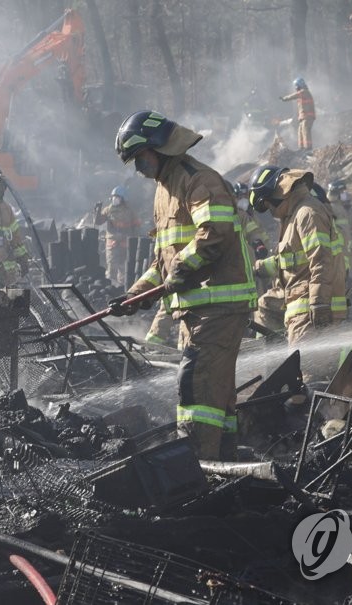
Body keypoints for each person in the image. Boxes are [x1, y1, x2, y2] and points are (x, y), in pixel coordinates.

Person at [111, 110, 256, 460]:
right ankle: (225, 465)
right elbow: (164, 262)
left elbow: (213, 234)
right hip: (195, 309)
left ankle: (197, 468)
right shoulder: (164, 191)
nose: (139, 170)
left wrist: (178, 273)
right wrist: (135, 295)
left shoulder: (198, 180)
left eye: (140, 159)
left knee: (196, 388)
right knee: (217, 396)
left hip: (218, 305)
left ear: (159, 148)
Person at [249, 166, 346, 345]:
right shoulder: (295, 215)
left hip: (310, 311)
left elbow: (321, 259)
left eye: (268, 205)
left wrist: (319, 303)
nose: (271, 212)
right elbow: (293, 259)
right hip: (303, 310)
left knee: (309, 372)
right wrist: (259, 268)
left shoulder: (307, 213)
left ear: (275, 196)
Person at [94, 186, 141, 286]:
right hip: (112, 246)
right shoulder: (108, 210)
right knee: (111, 270)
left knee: (124, 271)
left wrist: (135, 240)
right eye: (113, 196)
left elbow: (137, 226)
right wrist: (97, 211)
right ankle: (110, 290)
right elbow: (98, 222)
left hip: (125, 245)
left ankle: (121, 290)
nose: (115, 199)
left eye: (117, 197)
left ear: (123, 198)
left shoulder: (130, 211)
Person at [324, 179, 352, 273]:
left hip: (347, 253)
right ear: (336, 194)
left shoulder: (346, 212)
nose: (346, 195)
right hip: (338, 254)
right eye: (343, 192)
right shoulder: (331, 209)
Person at [280, 77, 316, 151]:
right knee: (300, 131)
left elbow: (293, 96)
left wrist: (284, 99)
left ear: (299, 85)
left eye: (296, 86)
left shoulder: (304, 92)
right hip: (303, 117)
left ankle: (308, 148)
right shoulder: (302, 94)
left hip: (307, 116)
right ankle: (302, 148)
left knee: (305, 131)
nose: (296, 88)